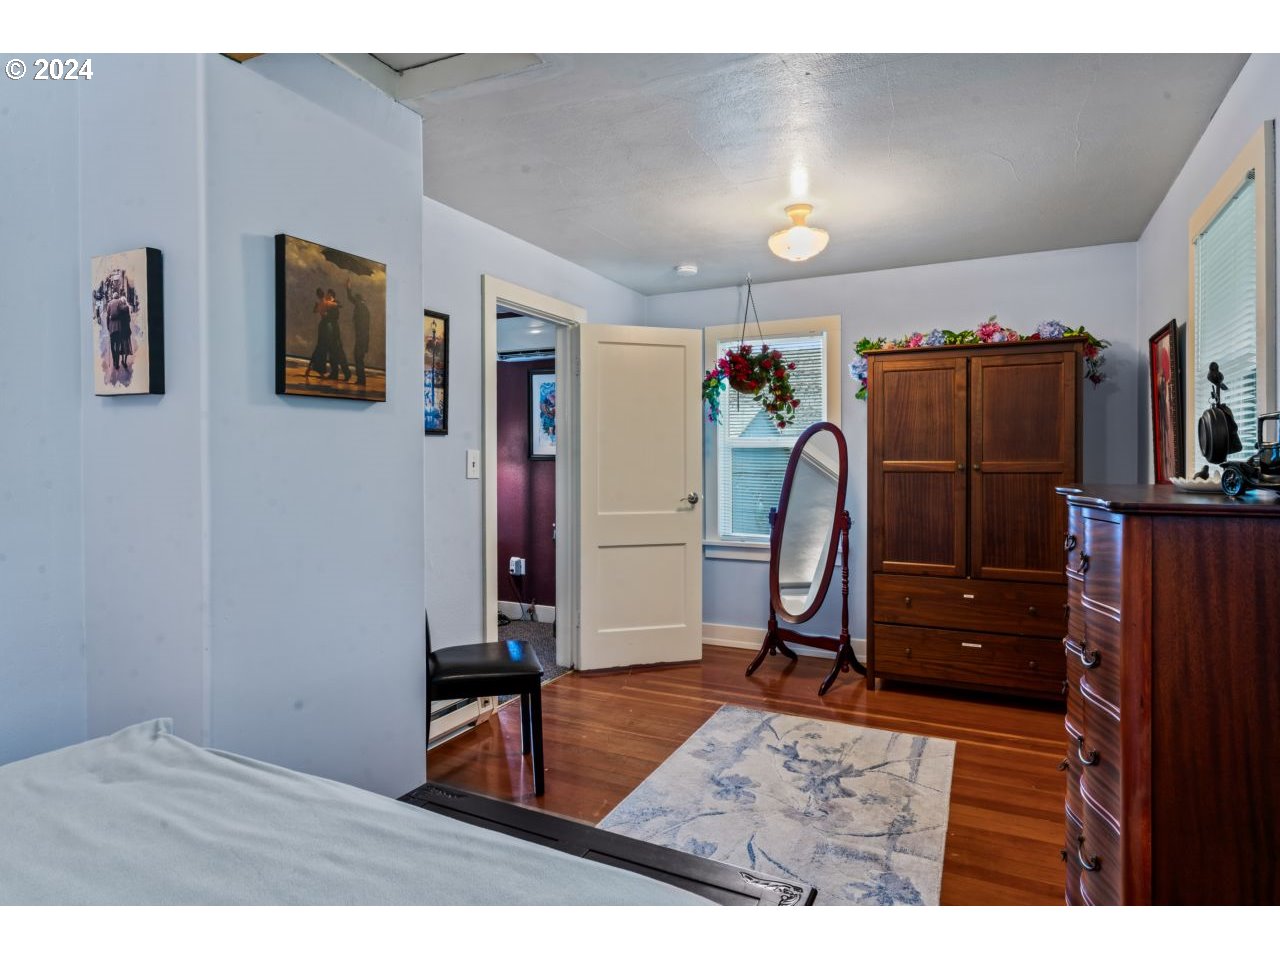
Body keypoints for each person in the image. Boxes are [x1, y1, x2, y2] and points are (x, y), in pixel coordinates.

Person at [346, 279, 370, 386]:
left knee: (358, 357)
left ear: (358, 300)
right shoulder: (364, 308)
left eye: (356, 300)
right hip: (363, 337)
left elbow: (351, 299)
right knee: (359, 357)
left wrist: (348, 288)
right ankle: (361, 379)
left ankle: (361, 380)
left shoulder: (360, 306)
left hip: (361, 338)